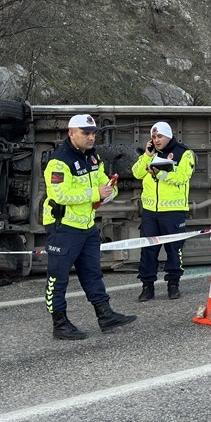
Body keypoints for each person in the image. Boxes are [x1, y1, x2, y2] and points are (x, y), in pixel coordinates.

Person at [44, 114, 137, 340]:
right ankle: (60, 324)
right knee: (58, 277)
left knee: (93, 273)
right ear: (71, 133)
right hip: (63, 227)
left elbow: (102, 182)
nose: (91, 137)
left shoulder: (93, 157)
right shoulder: (59, 161)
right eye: (85, 133)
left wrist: (110, 190)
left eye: (93, 133)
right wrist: (96, 193)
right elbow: (60, 194)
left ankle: (105, 315)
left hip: (86, 225)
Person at [132, 121, 197, 301]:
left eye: (159, 136)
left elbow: (183, 177)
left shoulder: (184, 153)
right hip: (150, 212)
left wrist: (159, 173)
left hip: (173, 211)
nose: (156, 140)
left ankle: (173, 285)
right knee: (148, 251)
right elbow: (136, 173)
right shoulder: (150, 153)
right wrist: (146, 156)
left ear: (169, 136)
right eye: (153, 137)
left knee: (174, 250)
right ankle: (147, 286)